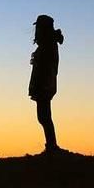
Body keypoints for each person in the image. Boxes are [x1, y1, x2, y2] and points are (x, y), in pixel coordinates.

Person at [29, 14, 64, 153]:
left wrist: (42, 86)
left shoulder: (48, 45)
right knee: (44, 117)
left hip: (44, 85)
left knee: (44, 117)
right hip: (44, 85)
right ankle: (51, 145)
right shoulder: (47, 44)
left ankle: (52, 146)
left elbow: (47, 68)